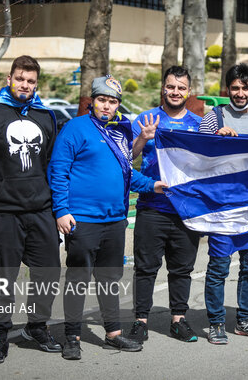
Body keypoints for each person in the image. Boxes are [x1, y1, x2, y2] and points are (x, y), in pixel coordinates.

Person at [48, 75, 166, 359]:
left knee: (110, 279)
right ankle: (72, 337)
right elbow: (58, 171)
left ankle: (113, 333)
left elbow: (126, 173)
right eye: (102, 100)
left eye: (112, 102)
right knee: (78, 280)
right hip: (82, 221)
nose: (107, 106)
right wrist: (61, 210)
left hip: (114, 221)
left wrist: (152, 185)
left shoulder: (118, 132)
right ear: (92, 101)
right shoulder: (75, 128)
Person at [0, 55, 62, 364]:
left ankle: (36, 326)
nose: (25, 85)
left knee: (49, 272)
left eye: (31, 81)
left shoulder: (45, 116)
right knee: (3, 278)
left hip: (41, 210)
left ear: (36, 84)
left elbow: (52, 164)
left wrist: (58, 208)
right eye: (20, 79)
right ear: (9, 79)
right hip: (2, 212)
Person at [126, 66, 203, 343]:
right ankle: (140, 321)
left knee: (181, 269)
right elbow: (126, 158)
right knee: (146, 268)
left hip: (185, 211)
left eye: (181, 88)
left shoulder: (199, 123)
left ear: (189, 91)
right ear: (163, 88)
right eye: (171, 87)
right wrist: (142, 138)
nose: (175, 92)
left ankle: (178, 321)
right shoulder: (146, 119)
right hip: (152, 207)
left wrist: (225, 134)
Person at [198, 63, 248, 344]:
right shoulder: (213, 118)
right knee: (218, 267)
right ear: (228, 89)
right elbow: (197, 160)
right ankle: (216, 322)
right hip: (222, 207)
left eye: (245, 87)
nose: (240, 93)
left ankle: (245, 320)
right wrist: (216, 140)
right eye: (235, 88)